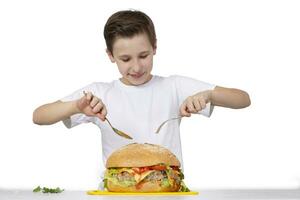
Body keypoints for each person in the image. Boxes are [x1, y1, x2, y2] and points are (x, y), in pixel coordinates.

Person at [33, 9, 250, 174]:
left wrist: (208, 95)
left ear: (155, 47)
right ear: (110, 55)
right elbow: (39, 116)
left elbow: (243, 99)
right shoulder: (99, 93)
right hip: (115, 194)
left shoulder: (174, 87)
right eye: (125, 59)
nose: (136, 67)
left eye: (144, 55)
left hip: (168, 191)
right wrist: (75, 106)